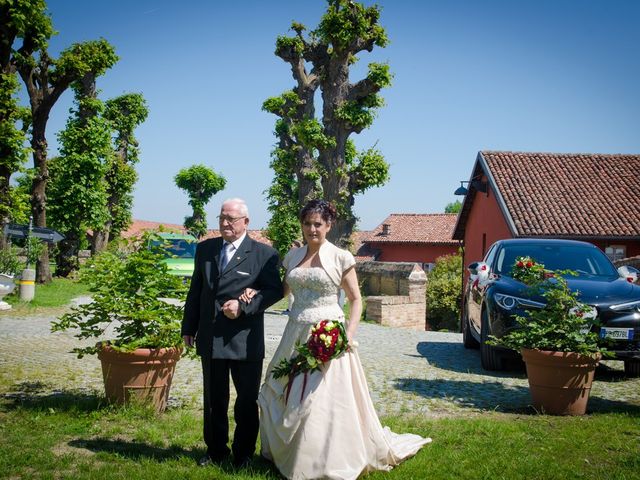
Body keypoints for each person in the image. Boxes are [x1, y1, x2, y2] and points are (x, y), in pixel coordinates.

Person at [254, 199, 431, 480]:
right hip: (295, 331)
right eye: (307, 223)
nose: (312, 229)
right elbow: (284, 291)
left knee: (318, 400)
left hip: (328, 334)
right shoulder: (292, 257)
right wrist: (253, 294)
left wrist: (346, 336)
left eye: (317, 224)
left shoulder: (341, 257)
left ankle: (321, 460)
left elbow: (356, 300)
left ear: (328, 225)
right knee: (284, 390)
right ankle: (287, 453)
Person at [181, 198, 283, 468]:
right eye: (222, 218)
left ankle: (243, 454)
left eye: (231, 219)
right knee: (214, 400)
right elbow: (196, 291)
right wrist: (188, 328)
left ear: (246, 222)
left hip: (245, 340)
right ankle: (215, 451)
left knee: (246, 401)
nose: (225, 223)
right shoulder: (205, 249)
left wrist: (244, 305)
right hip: (211, 337)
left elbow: (274, 291)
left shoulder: (264, 254)